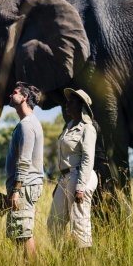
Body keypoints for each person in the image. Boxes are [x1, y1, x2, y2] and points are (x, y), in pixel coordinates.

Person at [47, 88, 98, 248]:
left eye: (71, 101)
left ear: (81, 105)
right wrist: (59, 183)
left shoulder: (87, 128)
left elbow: (88, 158)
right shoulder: (68, 126)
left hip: (80, 177)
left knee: (79, 227)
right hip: (65, 178)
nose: (67, 104)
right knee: (53, 223)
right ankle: (65, 260)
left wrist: (81, 187)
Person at [5, 82, 44, 257]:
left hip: (25, 186)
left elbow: (24, 161)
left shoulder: (27, 125)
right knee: (19, 233)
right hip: (25, 186)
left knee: (23, 234)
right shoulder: (28, 123)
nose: (10, 95)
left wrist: (16, 190)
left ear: (25, 97)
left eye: (14, 92)